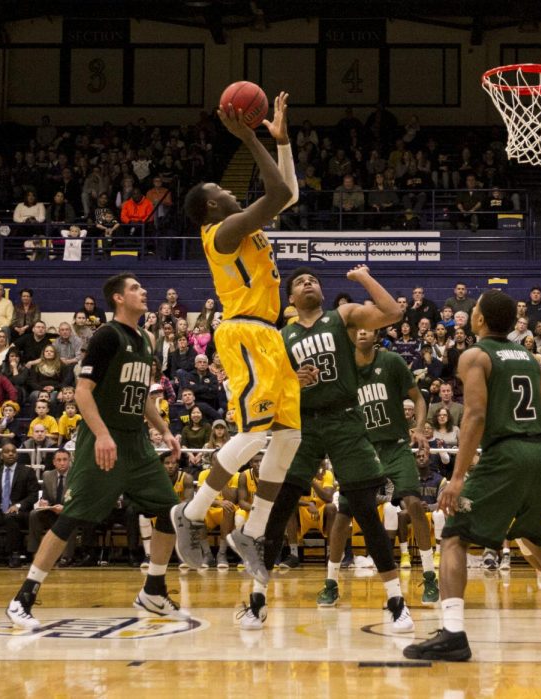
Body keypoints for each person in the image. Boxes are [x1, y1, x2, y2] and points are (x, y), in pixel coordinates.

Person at [404, 290, 541, 662]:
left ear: (479, 319)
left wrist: (458, 477)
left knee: (454, 535)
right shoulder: (528, 356)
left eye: (474, 308)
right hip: (539, 454)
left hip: (505, 454)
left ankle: (453, 633)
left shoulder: (475, 355)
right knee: (539, 541)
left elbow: (474, 415)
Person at [171, 91, 301, 597]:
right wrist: (248, 138)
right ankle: (192, 511)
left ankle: (252, 531)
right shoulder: (221, 232)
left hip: (271, 334)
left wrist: (282, 142)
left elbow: (285, 192)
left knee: (287, 438)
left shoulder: (240, 224)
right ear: (210, 205)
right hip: (244, 330)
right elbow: (274, 194)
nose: (230, 192)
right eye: (222, 189)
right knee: (252, 431)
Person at [5, 273, 186, 629]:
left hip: (136, 442)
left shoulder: (148, 339)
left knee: (169, 512)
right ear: (118, 299)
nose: (143, 291)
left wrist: (165, 431)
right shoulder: (107, 335)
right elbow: (83, 391)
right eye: (134, 288)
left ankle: (153, 588)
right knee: (73, 517)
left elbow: (143, 396)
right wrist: (103, 435)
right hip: (103, 439)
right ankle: (22, 597)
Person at [252, 265, 414, 633]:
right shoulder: (281, 337)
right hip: (301, 425)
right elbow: (268, 390)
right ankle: (256, 597)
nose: (308, 283)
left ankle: (395, 600)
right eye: (300, 282)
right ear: (290, 298)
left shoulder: (342, 317)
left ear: (322, 292)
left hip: (344, 420)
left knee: (364, 510)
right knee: (281, 508)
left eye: (314, 280)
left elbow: (392, 313)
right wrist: (292, 380)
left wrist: (363, 278)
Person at [322, 326, 437, 604]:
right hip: (361, 451)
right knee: (342, 516)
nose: (362, 332)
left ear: (376, 335)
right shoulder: (342, 369)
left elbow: (418, 398)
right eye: (356, 329)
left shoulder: (391, 362)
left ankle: (431, 578)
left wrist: (419, 427)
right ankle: (331, 583)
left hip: (395, 446)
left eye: (367, 329)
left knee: (414, 504)